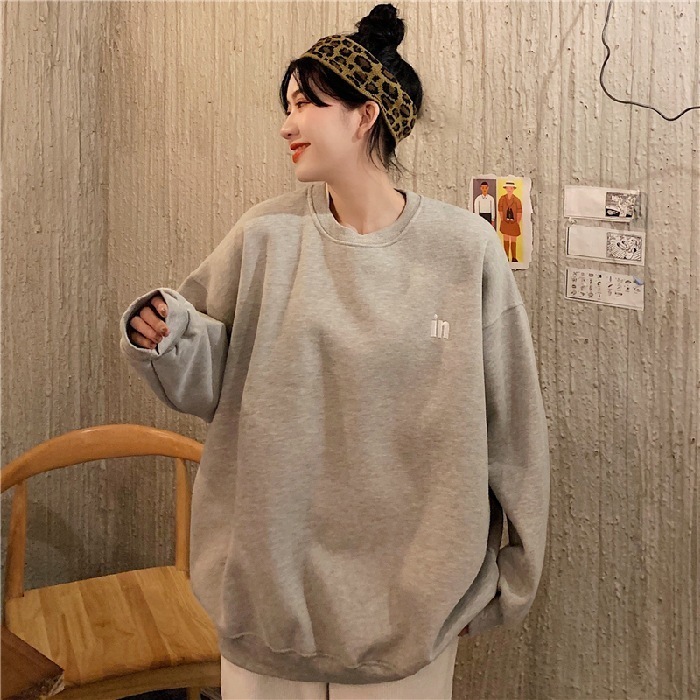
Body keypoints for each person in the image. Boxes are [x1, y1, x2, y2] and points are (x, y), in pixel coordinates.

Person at [119, 4, 550, 699]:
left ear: (364, 115)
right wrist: (168, 338)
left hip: (412, 609)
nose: (287, 125)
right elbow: (211, 379)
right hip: (267, 598)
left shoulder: (462, 251)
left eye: (305, 105)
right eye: (287, 106)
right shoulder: (263, 237)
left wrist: (510, 581)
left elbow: (515, 432)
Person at [497, 180, 523, 262]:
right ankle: (506, 256)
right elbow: (500, 209)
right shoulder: (502, 199)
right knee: (506, 238)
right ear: (506, 188)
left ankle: (514, 257)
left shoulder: (517, 200)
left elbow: (519, 211)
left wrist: (517, 222)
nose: (509, 190)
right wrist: (503, 219)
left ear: (513, 189)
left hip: (514, 222)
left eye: (511, 188)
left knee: (513, 239)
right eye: (508, 188)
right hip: (505, 221)